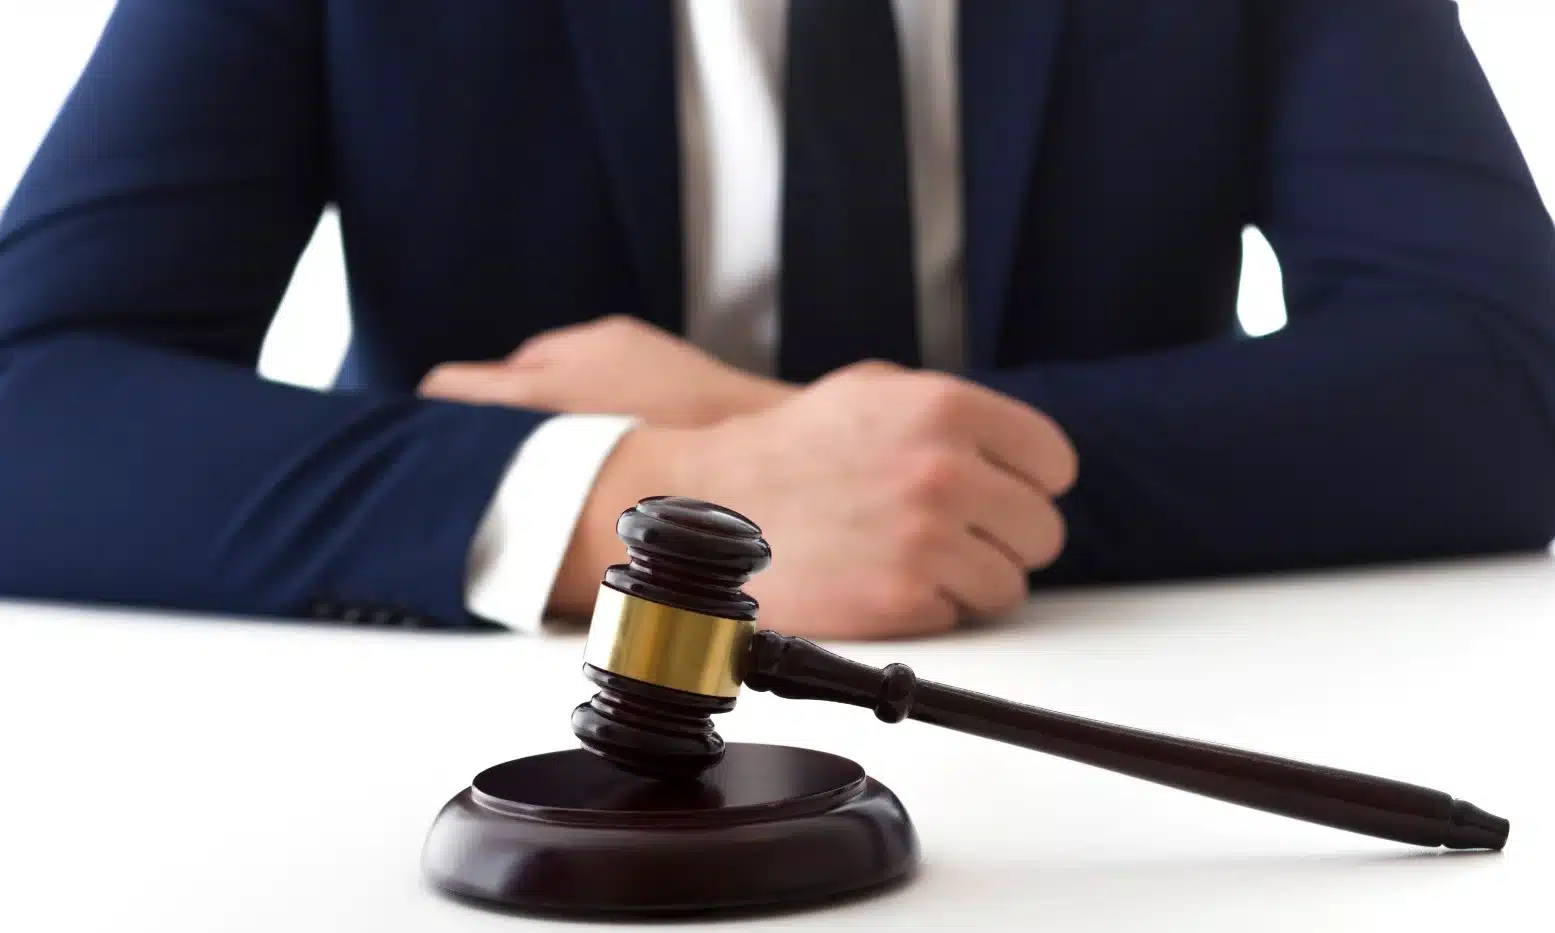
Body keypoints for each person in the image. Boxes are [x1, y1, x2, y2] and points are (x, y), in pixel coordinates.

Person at [1, 0, 1552, 641]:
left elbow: (1504, 379)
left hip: (1122, 710)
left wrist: (820, 466)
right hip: (479, 756)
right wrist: (625, 494)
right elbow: (31, 403)